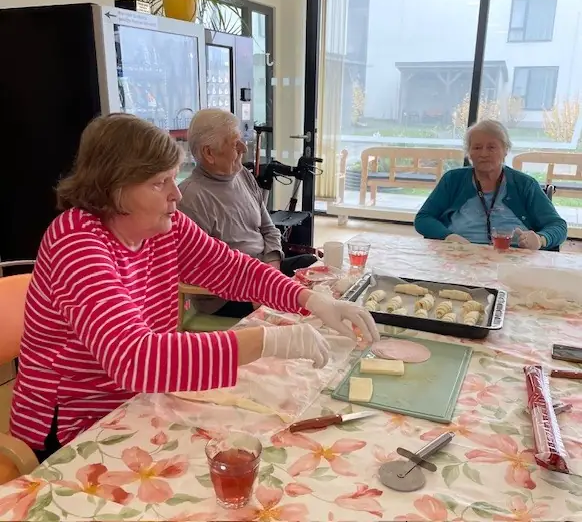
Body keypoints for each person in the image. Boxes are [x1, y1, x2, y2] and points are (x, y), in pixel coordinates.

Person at [10, 114, 378, 462]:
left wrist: (309, 299)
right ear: (114, 188)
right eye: (159, 183)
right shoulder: (76, 243)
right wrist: (270, 341)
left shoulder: (161, 226)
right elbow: (135, 359)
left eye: (174, 177)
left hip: (138, 400)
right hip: (76, 423)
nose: (177, 194)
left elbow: (233, 269)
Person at [178, 109, 317, 318]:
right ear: (209, 153)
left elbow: (269, 229)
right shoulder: (190, 198)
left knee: (312, 264)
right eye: (235, 144)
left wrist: (272, 268)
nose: (244, 148)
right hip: (227, 294)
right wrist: (259, 286)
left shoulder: (242, 175)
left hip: (262, 271)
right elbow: (201, 269)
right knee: (305, 308)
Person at [414, 119, 567, 250]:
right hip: (460, 255)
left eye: (491, 147)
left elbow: (558, 226)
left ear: (505, 150)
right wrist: (448, 236)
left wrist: (540, 239)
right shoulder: (453, 180)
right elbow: (424, 218)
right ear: (469, 153)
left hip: (512, 259)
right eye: (477, 147)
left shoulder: (525, 184)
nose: (484, 154)